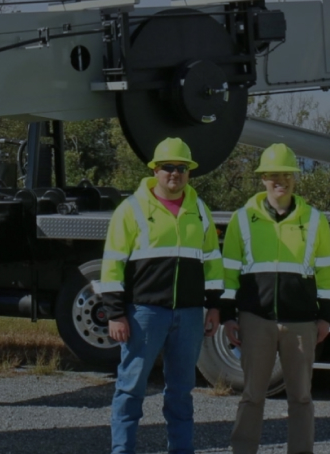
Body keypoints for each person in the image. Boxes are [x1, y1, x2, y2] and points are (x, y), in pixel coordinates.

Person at [96, 137, 224, 454]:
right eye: (168, 167)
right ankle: (122, 450)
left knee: (181, 392)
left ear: (189, 173)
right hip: (144, 313)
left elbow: (213, 263)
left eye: (181, 168)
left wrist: (215, 307)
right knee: (131, 388)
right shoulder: (131, 210)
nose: (174, 174)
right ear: (155, 169)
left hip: (190, 314)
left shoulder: (200, 210)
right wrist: (115, 313)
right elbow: (112, 264)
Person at [219, 144, 330, 454]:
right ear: (263, 179)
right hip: (256, 320)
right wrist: (229, 316)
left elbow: (326, 271)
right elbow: (229, 272)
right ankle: (243, 450)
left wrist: (326, 316)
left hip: (301, 322)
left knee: (301, 397)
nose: (279, 180)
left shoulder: (314, 219)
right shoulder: (242, 219)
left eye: (286, 174)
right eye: (273, 175)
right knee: (253, 395)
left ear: (294, 178)